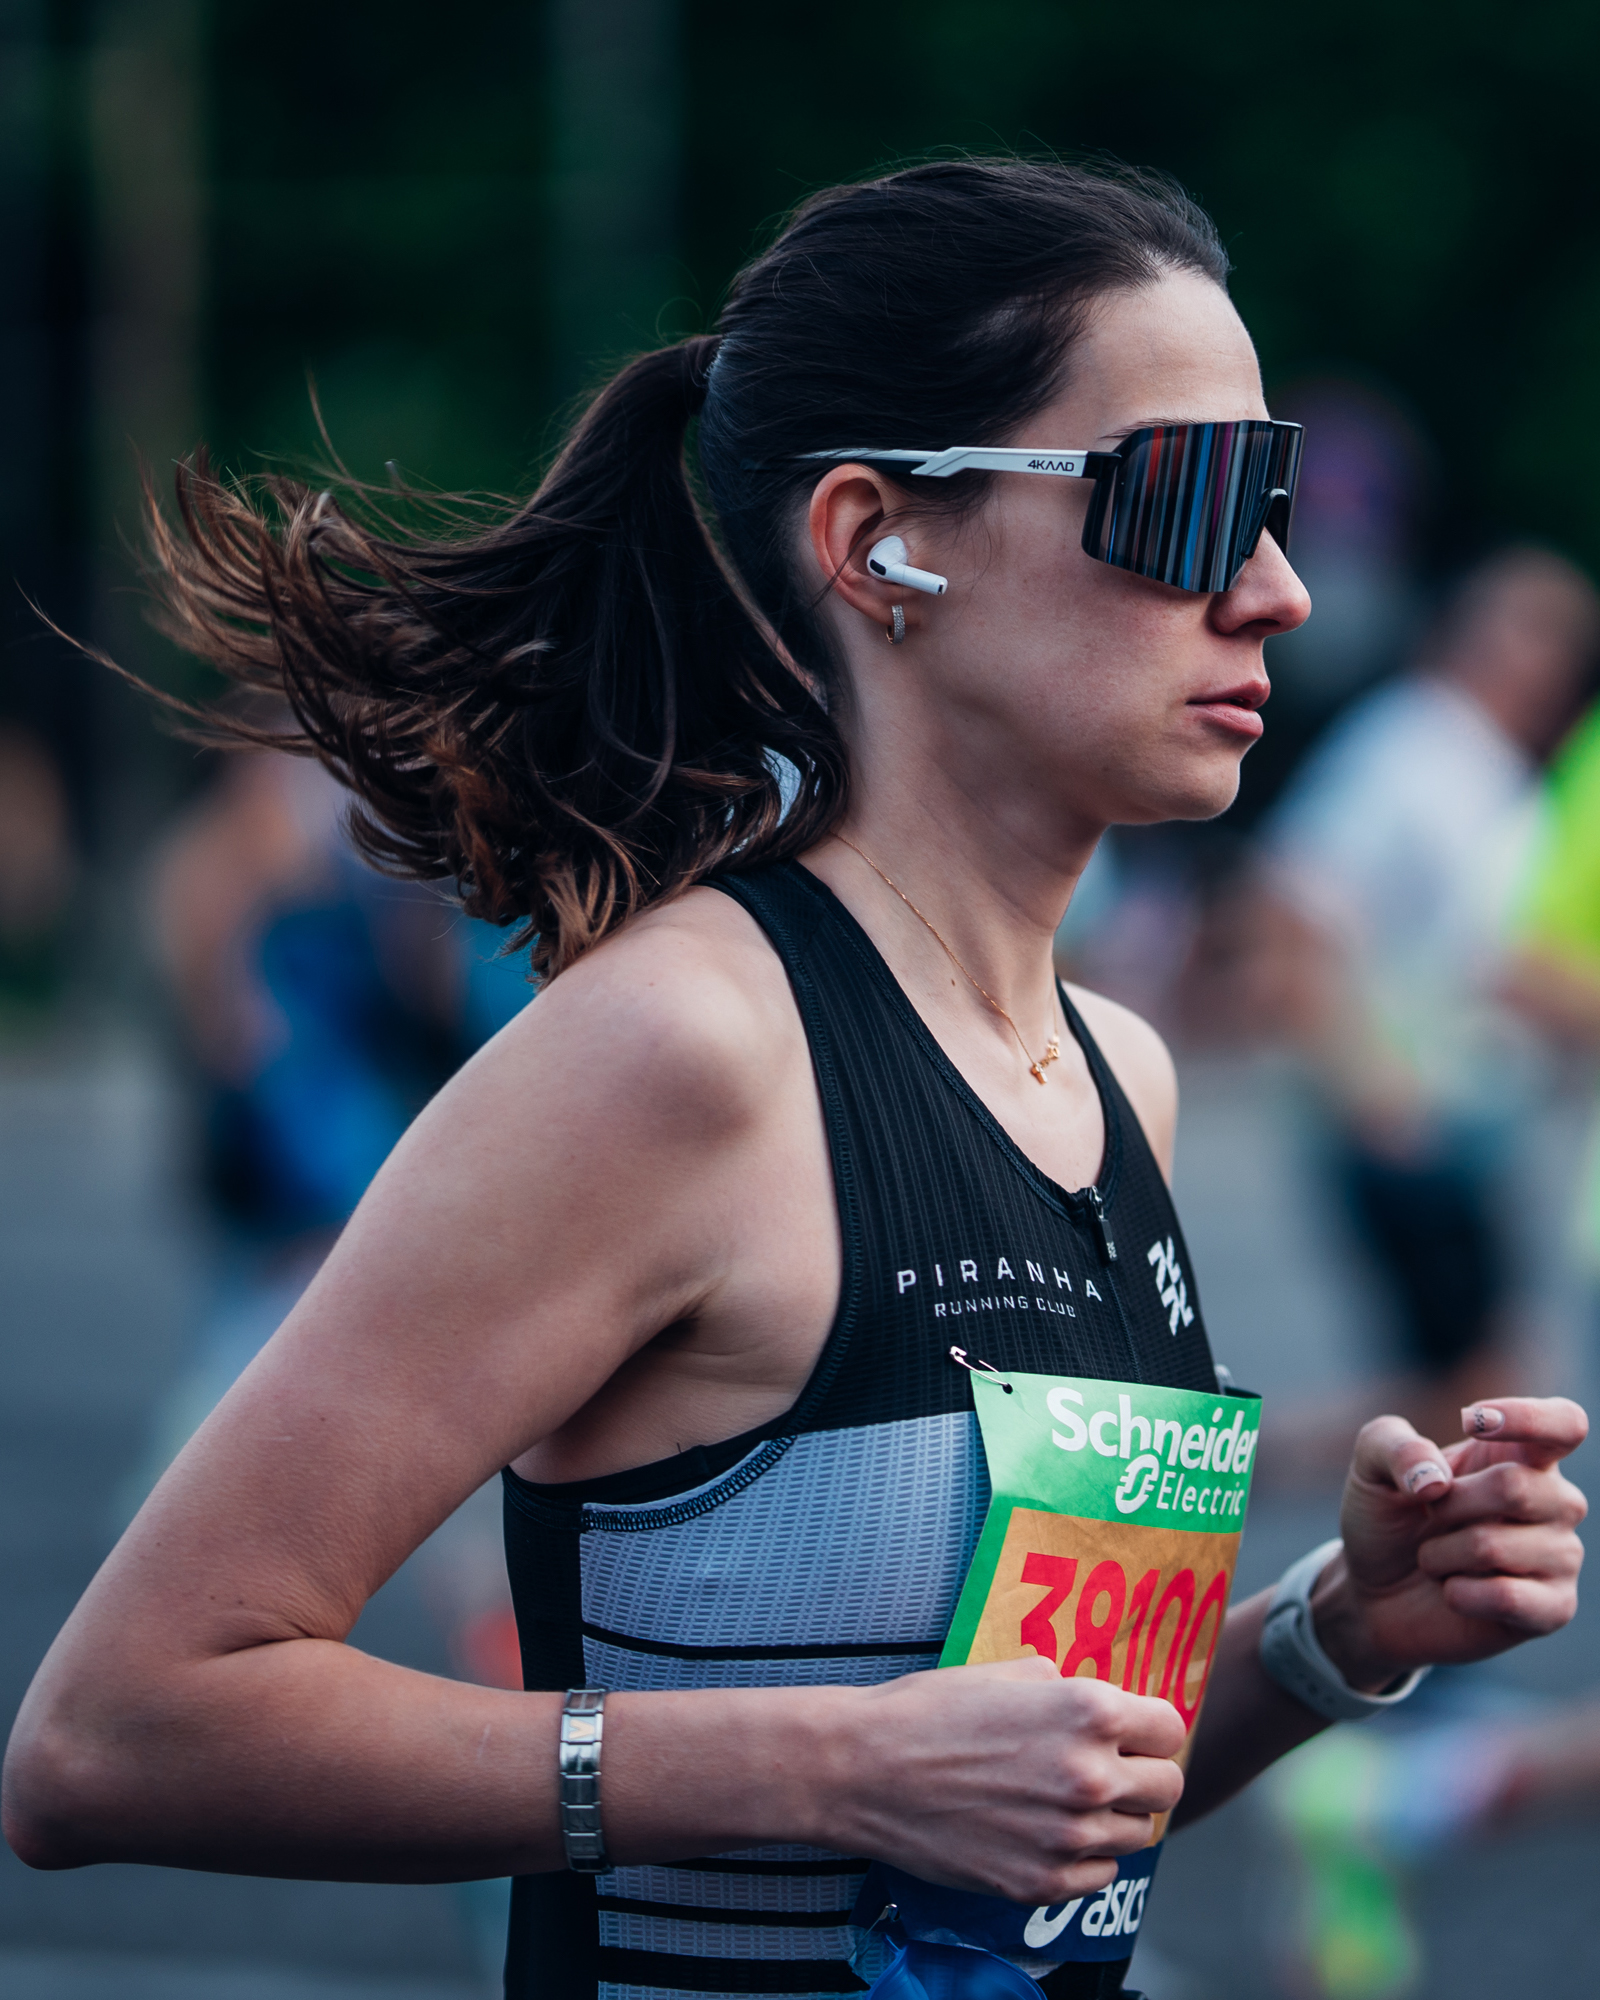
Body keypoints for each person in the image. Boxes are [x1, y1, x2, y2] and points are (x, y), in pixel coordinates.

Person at [1, 160, 1586, 2000]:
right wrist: (827, 1762)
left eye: (1283, 500)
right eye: (1194, 500)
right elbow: (112, 1733)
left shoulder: (1117, 1075)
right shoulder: (686, 1052)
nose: (1282, 591)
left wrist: (1340, 1631)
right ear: (878, 540)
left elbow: (1032, 1828)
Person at [1239, 549, 1600, 1463]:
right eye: (1531, 629)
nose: (1550, 658)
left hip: (1465, 1119)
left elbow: (1492, 952)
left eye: (1565, 638)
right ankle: (1247, 1464)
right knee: (1483, 1393)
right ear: (1467, 629)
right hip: (1407, 1122)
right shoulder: (1404, 747)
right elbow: (1288, 909)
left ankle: (1262, 1467)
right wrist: (1368, 1083)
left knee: (1488, 1384)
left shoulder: (1486, 760)